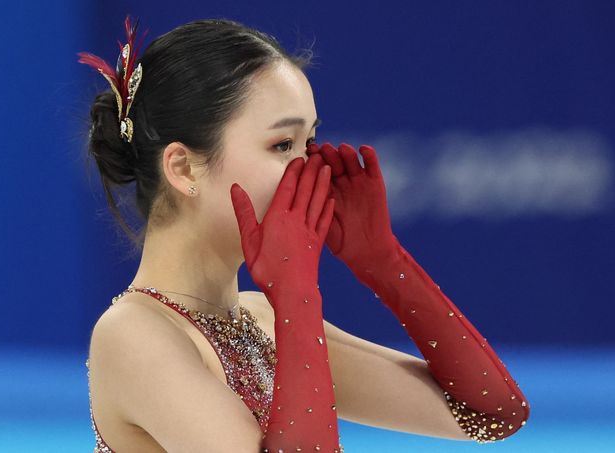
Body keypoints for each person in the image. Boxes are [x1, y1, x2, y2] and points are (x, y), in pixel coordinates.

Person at [79, 15, 530, 453]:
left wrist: (383, 261)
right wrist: (296, 295)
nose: (310, 168)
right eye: (282, 145)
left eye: (310, 143)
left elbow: (492, 415)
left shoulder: (265, 320)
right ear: (183, 167)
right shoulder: (134, 336)